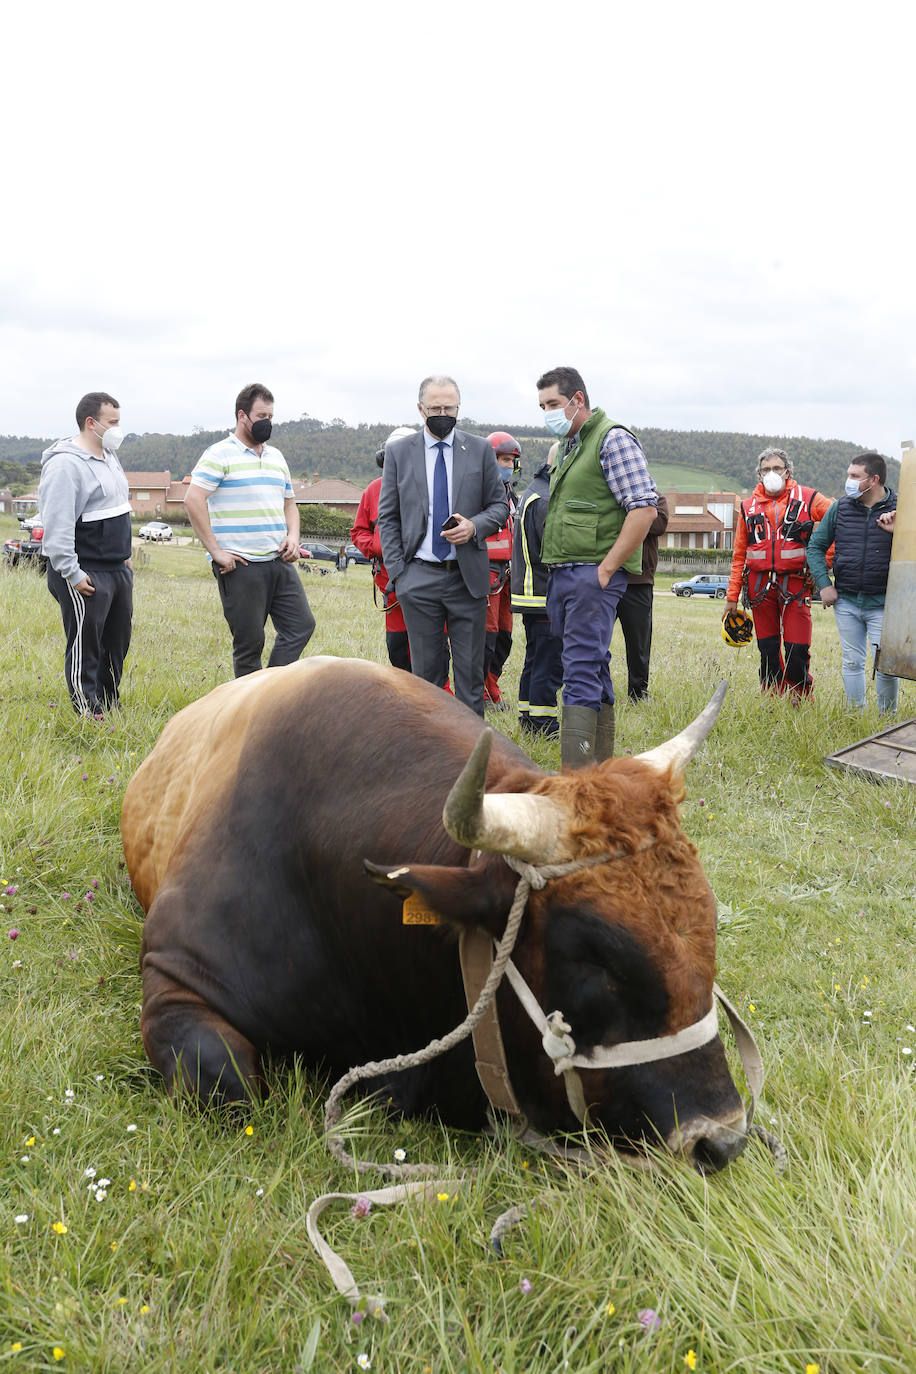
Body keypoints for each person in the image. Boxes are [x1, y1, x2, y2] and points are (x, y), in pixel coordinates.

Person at [536, 365, 658, 767]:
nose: (548, 413)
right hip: (565, 574)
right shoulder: (572, 446)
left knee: (580, 669)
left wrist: (604, 571)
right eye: (542, 406)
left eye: (554, 403)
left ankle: (576, 776)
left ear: (578, 400)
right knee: (593, 665)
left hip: (590, 574)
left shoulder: (613, 439)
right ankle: (600, 766)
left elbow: (642, 509)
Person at [376, 375, 508, 715]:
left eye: (450, 407)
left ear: (459, 408)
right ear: (421, 408)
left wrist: (474, 527)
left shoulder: (479, 450)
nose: (443, 413)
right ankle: (434, 756)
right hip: (417, 579)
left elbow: (499, 506)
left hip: (467, 579)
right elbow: (388, 517)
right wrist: (399, 575)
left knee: (469, 678)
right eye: (435, 407)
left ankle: (472, 755)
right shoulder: (398, 453)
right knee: (427, 679)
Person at [185, 383, 315, 677]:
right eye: (261, 415)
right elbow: (193, 500)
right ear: (242, 416)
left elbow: (290, 505)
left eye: (271, 416)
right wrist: (215, 551)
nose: (267, 422)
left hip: (278, 561)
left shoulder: (276, 457)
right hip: (241, 566)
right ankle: (248, 710)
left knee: (301, 627)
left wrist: (293, 537)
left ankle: (268, 689)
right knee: (250, 644)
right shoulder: (219, 454)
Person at [39, 391, 134, 717]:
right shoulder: (66, 465)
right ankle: (87, 710)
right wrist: (72, 572)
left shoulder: (109, 457)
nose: (118, 429)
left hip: (116, 567)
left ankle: (109, 702)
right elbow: (58, 524)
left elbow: (116, 509)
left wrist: (124, 557)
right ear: (91, 423)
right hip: (84, 569)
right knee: (86, 643)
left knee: (116, 641)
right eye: (113, 422)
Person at [723, 447, 832, 697]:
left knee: (797, 647)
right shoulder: (748, 507)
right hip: (759, 588)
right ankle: (771, 695)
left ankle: (800, 698)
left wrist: (822, 564)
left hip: (795, 584)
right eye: (766, 469)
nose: (771, 473)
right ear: (759, 475)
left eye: (776, 468)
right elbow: (739, 554)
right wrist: (731, 597)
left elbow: (837, 522)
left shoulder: (809, 498)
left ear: (787, 472)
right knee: (768, 648)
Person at [806, 452, 899, 713]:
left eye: (854, 476)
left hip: (884, 603)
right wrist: (824, 584)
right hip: (846, 602)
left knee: (885, 665)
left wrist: (900, 529)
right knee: (852, 663)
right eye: (849, 474)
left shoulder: (901, 509)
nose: (848, 480)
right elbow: (815, 546)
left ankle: (886, 719)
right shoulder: (840, 507)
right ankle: (855, 715)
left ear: (874, 479)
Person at [350, 426, 417, 671]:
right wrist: (379, 546)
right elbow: (358, 532)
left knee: (433, 643)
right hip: (391, 582)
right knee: (398, 645)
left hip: (427, 579)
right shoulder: (373, 490)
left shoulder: (431, 488)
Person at [510, 446, 563, 736]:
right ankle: (544, 723)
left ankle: (528, 715)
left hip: (531, 594)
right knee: (549, 663)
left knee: (535, 659)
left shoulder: (534, 491)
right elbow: (555, 548)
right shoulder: (546, 498)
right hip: (544, 594)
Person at [613, 493, 670, 701]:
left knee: (639, 645)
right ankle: (597, 691)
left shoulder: (657, 498)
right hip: (608, 578)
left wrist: (629, 514)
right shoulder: (610, 495)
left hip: (639, 582)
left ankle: (638, 694)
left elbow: (658, 525)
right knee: (596, 641)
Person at [482, 431, 520, 707]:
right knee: (487, 636)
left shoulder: (511, 496)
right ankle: (481, 692)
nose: (507, 465)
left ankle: (493, 687)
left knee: (504, 635)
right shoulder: (477, 493)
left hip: (507, 575)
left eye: (511, 461)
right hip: (486, 575)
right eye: (502, 459)